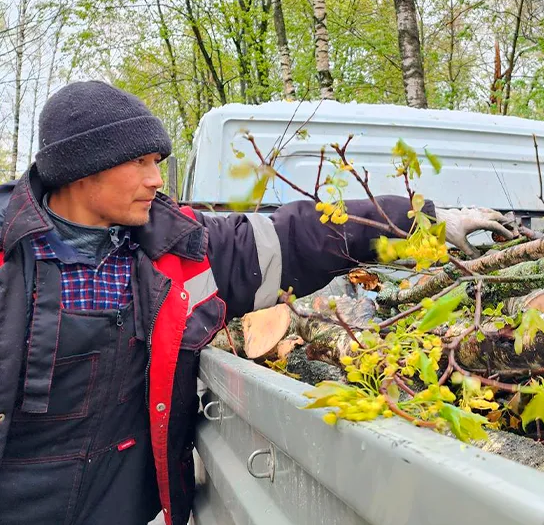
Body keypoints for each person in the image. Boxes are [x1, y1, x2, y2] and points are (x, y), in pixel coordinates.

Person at [0, 81, 517, 525]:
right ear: (82, 169)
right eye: (139, 162)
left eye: (157, 162)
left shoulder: (176, 248)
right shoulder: (11, 262)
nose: (157, 179)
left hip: (124, 509)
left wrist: (418, 221)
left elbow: (293, 237)